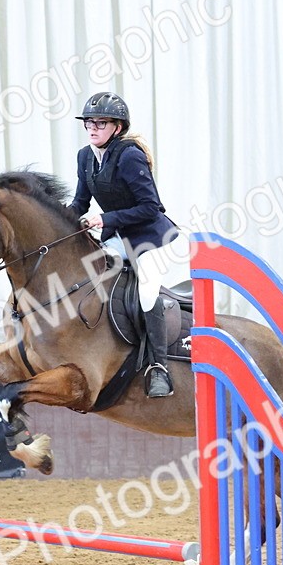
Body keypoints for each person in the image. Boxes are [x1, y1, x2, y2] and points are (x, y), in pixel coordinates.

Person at [67, 92, 183, 398]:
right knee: (91, 277)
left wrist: (106, 218)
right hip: (119, 237)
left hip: (151, 239)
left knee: (146, 292)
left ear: (117, 127)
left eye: (100, 123)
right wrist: (57, 223)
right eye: (89, 123)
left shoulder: (130, 156)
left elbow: (151, 207)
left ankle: (158, 367)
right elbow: (79, 203)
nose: (92, 128)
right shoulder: (85, 157)